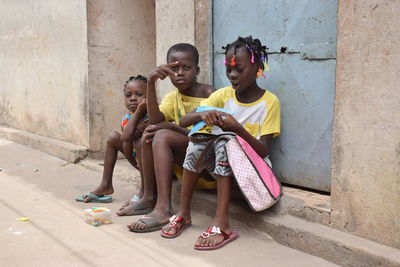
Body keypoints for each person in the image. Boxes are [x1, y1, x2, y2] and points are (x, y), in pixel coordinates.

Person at [160, 36, 281, 250]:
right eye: (229, 70)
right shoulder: (223, 95)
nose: (232, 75)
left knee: (226, 141)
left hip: (251, 173)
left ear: (257, 68)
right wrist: (204, 114)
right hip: (219, 170)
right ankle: (183, 214)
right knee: (198, 141)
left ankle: (221, 224)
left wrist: (236, 128)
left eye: (239, 69)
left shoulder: (269, 102)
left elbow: (263, 151)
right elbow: (184, 121)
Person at [118, 43, 216, 232]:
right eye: (174, 68)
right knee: (151, 132)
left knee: (161, 135)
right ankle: (148, 197)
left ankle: (163, 209)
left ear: (197, 70)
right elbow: (155, 121)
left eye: (186, 68)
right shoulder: (173, 97)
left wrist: (169, 126)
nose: (180, 73)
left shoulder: (209, 94)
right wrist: (152, 82)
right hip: (186, 164)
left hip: (207, 165)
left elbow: (207, 140)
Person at [75, 75, 148, 203]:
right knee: (113, 137)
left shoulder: (153, 116)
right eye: (128, 95)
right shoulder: (126, 119)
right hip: (137, 162)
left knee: (140, 141)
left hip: (155, 167)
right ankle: (106, 184)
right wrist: (136, 119)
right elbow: (127, 142)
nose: (133, 99)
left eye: (139, 94)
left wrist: (136, 132)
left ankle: (146, 191)